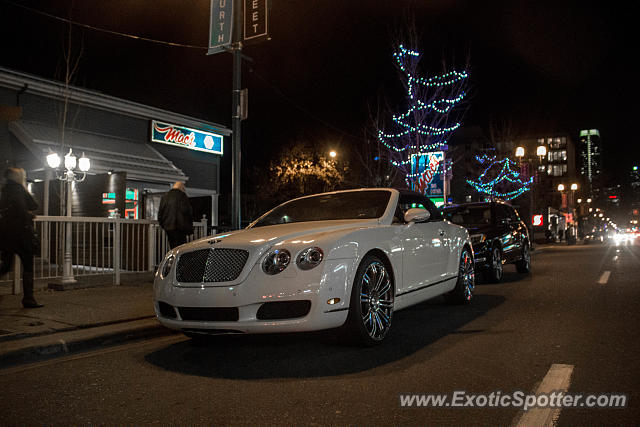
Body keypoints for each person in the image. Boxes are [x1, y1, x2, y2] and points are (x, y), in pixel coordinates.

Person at [0, 167, 42, 308]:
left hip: (7, 235)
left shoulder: (4, 190)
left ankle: (29, 299)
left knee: (6, 265)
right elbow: (33, 205)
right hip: (22, 234)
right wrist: (29, 215)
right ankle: (28, 298)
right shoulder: (19, 189)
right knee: (28, 266)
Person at [158, 181, 194, 249]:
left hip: (169, 227)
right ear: (181, 187)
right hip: (180, 227)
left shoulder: (165, 196)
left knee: (172, 246)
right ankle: (180, 259)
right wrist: (189, 228)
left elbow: (160, 213)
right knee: (181, 247)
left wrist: (163, 225)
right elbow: (187, 212)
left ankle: (173, 258)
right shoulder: (182, 196)